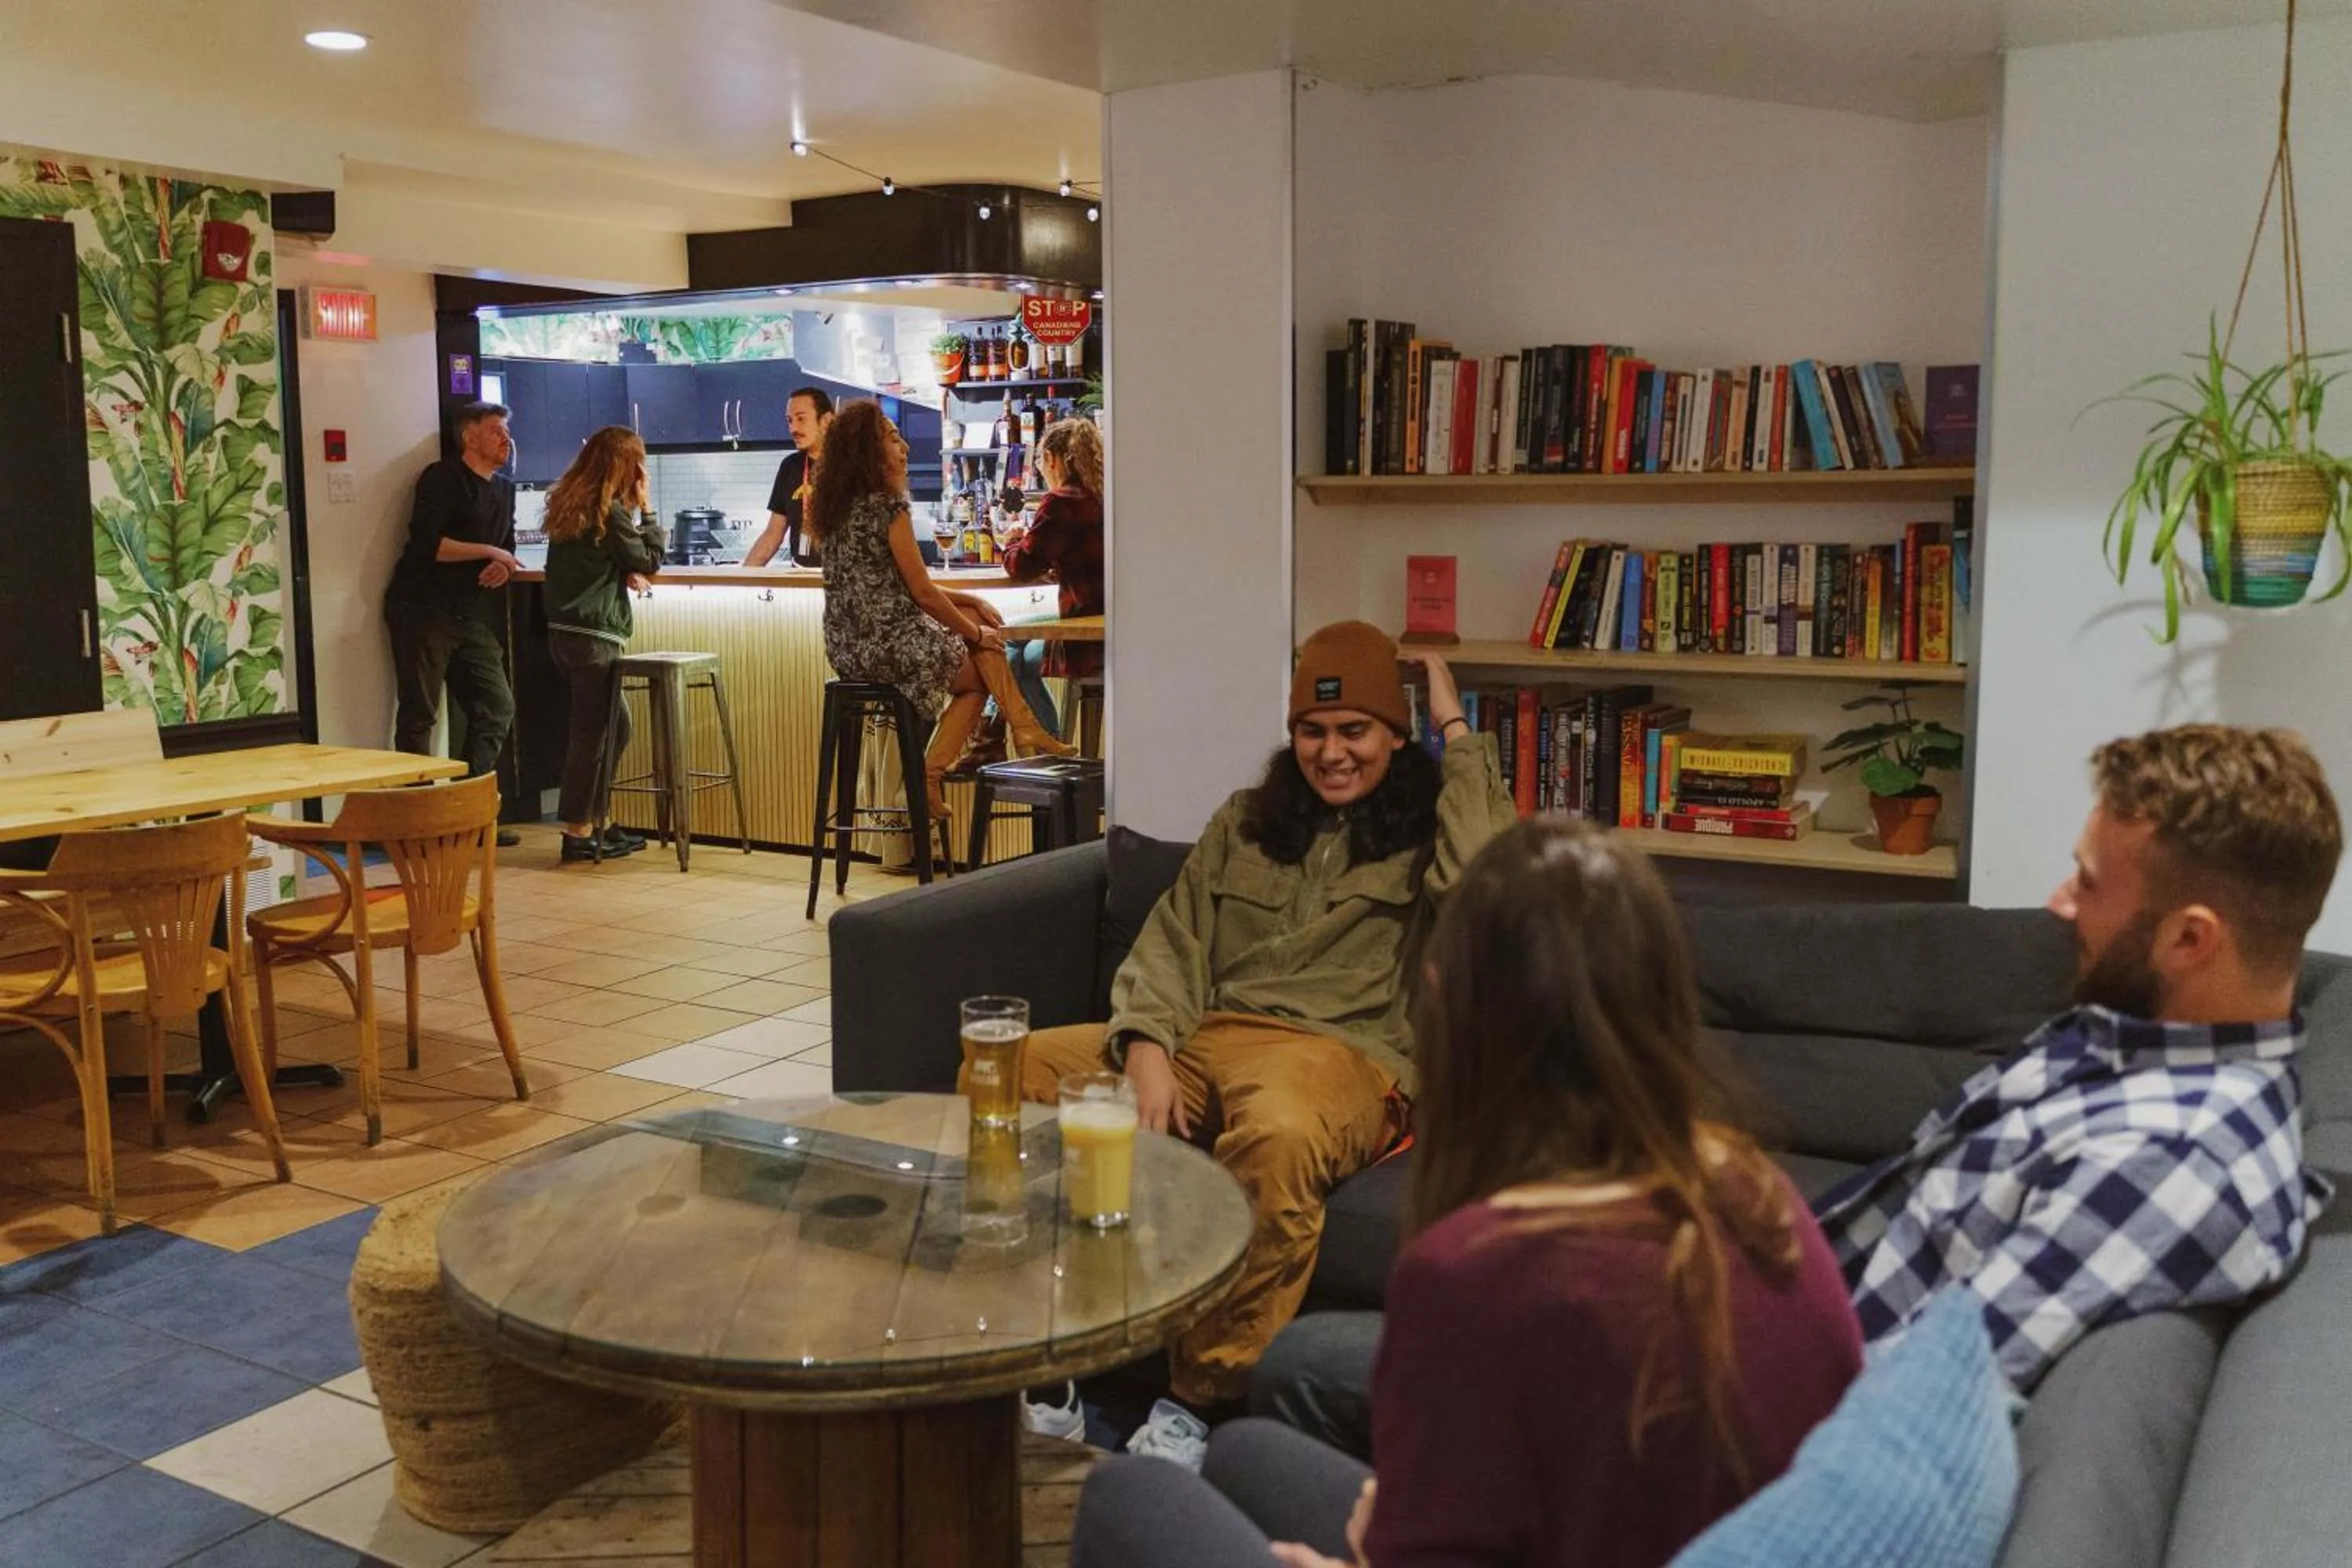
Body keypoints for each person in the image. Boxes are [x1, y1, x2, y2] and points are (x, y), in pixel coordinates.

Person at [1067, 818, 1864, 1568]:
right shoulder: (1758, 1191)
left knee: (1126, 1494)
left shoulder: (1476, 1273)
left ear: (1448, 1003)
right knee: (1243, 1451)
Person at [1000, 624, 1517, 1455]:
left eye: (1355, 730)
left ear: (1394, 731)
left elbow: (1487, 886)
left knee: (1277, 1133)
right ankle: (1047, 1363)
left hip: (1341, 1057)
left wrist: (1456, 732)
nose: (1332, 752)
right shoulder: (1248, 820)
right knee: (1018, 1071)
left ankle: (1194, 1407)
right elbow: (1174, 941)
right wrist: (1145, 1044)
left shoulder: (1428, 830)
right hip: (1208, 1038)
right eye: (1313, 731)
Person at [1815, 724, 2340, 1392]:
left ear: (2188, 939)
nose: (2059, 903)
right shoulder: (2138, 1034)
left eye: (2088, 883)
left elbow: (1917, 1394)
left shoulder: (2171, 1162)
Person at [804, 400, 1072, 829]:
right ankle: (935, 773)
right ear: (870, 453)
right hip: (890, 646)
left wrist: (968, 601)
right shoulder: (890, 509)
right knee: (982, 665)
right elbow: (923, 594)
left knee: (977, 644)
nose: (906, 446)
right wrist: (974, 628)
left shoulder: (836, 510)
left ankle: (1020, 731)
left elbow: (903, 585)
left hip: (848, 651)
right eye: (893, 438)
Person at [385, 400, 523, 842]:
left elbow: (508, 547)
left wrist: (503, 564)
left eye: (506, 431)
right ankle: (415, 824)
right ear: (470, 437)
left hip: (468, 613)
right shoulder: (442, 478)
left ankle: (468, 813)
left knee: (497, 705)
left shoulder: (504, 489)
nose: (506, 439)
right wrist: (490, 553)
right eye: (496, 431)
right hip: (422, 607)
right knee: (419, 714)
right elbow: (431, 545)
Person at [541, 426, 665, 865]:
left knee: (610, 728)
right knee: (590, 735)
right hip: (594, 637)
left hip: (564, 634)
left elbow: (605, 562)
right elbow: (648, 558)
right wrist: (648, 510)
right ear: (626, 468)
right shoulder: (609, 512)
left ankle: (597, 821)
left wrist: (620, 571)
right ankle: (578, 833)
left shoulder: (569, 506)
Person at [963, 416, 1105, 760]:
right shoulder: (1101, 496)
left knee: (1003, 638)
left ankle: (1006, 742)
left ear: (1054, 459)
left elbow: (1022, 566)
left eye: (1041, 463)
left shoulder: (1061, 502)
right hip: (1106, 619)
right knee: (1020, 655)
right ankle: (1044, 748)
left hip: (1085, 629)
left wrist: (1011, 542)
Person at [742, 386, 833, 567]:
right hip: (800, 580)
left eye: (801, 419)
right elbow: (773, 535)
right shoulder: (790, 467)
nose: (793, 428)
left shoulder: (852, 465)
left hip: (843, 583)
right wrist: (743, 579)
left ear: (826, 420)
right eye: (790, 421)